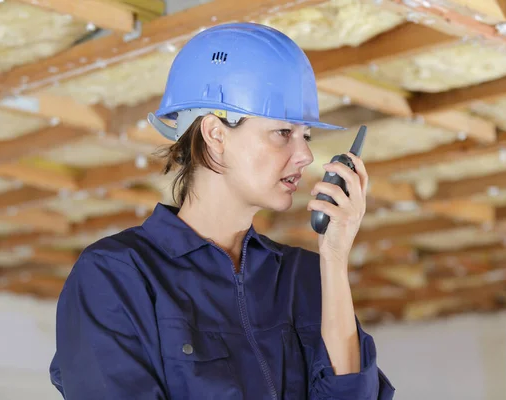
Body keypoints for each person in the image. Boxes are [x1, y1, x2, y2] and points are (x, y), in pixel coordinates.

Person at [49, 22, 395, 399]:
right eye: (283, 133)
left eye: (305, 136)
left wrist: (334, 256)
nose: (305, 155)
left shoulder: (305, 278)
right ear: (215, 135)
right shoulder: (116, 275)